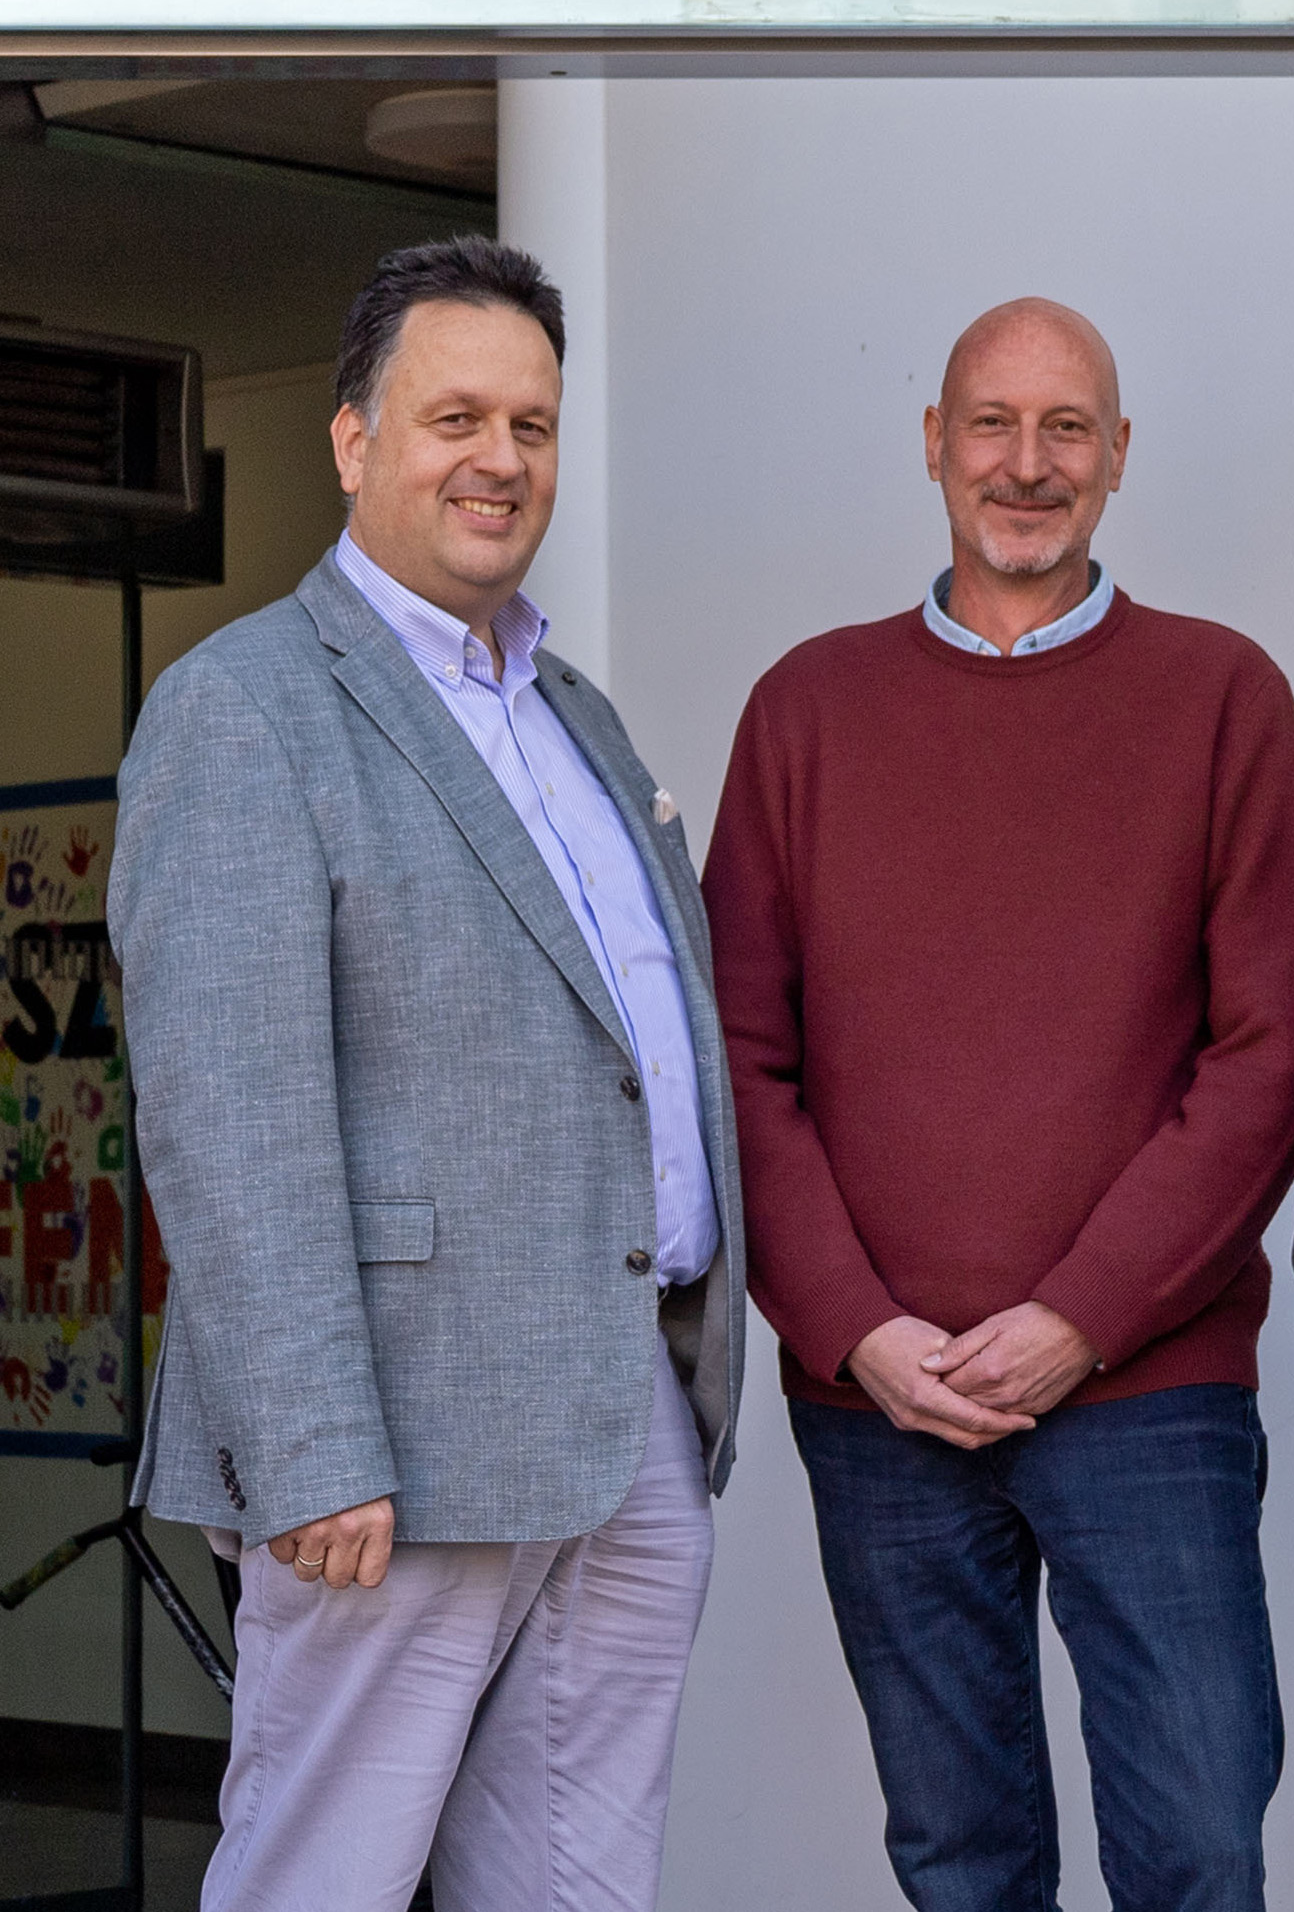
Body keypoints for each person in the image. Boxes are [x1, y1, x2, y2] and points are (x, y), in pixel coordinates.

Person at [109, 236, 745, 1912]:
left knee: (576, 1887)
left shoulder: (575, 712)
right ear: (352, 440)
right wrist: (312, 1442)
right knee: (318, 1877)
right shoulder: (245, 708)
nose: (500, 459)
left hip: (621, 1416)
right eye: (456, 417)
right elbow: (228, 1119)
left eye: (531, 425)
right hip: (397, 1443)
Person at [703, 297, 1294, 1912]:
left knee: (1199, 1845)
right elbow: (736, 1061)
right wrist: (855, 1329)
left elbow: (1269, 1053)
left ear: (1119, 456)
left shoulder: (1220, 695)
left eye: (1067, 429)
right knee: (959, 1859)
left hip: (1148, 1390)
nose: (1026, 464)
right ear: (933, 442)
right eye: (992, 422)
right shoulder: (805, 709)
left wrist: (1079, 1318)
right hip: (883, 1403)